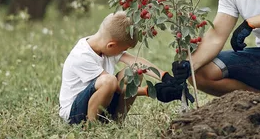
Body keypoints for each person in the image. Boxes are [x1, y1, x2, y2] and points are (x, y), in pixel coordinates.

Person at [59, 11, 187, 125]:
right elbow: (115, 87)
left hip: (102, 102)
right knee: (109, 81)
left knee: (134, 72)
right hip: (75, 113)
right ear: (111, 45)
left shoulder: (105, 47)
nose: (124, 52)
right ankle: (91, 126)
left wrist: (165, 77)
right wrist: (151, 91)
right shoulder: (82, 56)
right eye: (124, 49)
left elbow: (136, 62)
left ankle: (116, 122)